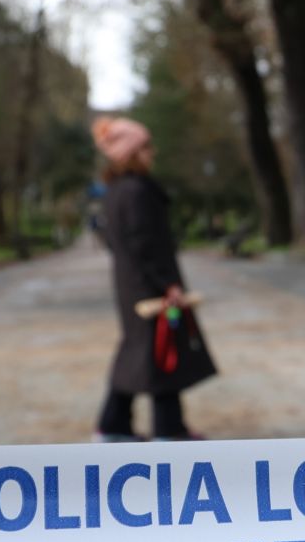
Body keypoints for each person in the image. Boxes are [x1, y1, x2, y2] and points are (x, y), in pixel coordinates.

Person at [91, 115, 216, 442]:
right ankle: (166, 428)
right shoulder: (135, 191)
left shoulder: (117, 190)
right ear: (130, 153)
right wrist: (167, 284)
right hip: (150, 287)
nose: (152, 153)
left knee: (144, 350)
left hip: (133, 284)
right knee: (161, 349)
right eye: (145, 147)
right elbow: (144, 243)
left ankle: (116, 425)